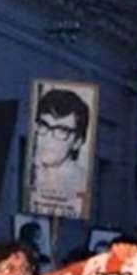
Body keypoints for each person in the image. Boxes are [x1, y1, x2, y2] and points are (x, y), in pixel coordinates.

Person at [28, 87, 91, 216]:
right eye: (44, 125)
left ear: (77, 142)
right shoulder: (29, 170)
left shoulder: (82, 184)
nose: (48, 138)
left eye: (62, 130)